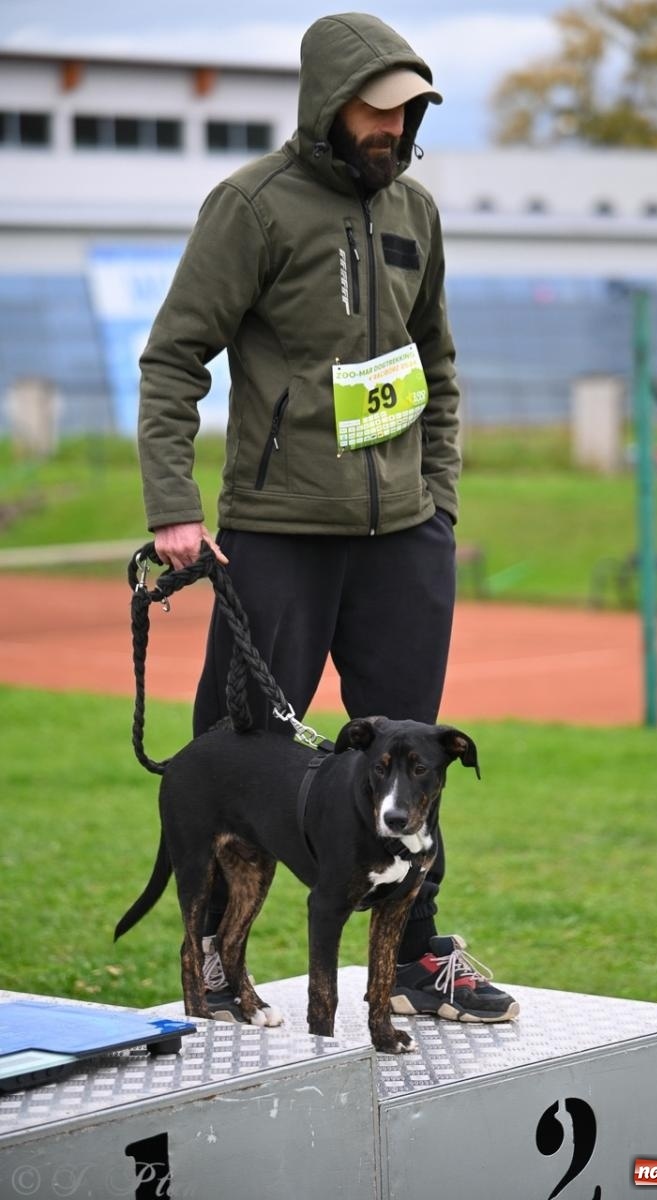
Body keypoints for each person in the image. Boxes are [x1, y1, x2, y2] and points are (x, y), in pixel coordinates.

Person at [138, 11, 518, 1025]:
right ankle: (216, 960)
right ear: (329, 102)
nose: (396, 128)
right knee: (239, 744)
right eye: (380, 109)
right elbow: (174, 358)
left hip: (404, 542)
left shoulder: (416, 213)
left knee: (412, 758)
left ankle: (419, 957)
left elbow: (436, 367)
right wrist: (175, 507)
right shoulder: (251, 206)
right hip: (276, 535)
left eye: (411, 113)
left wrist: (436, 500)